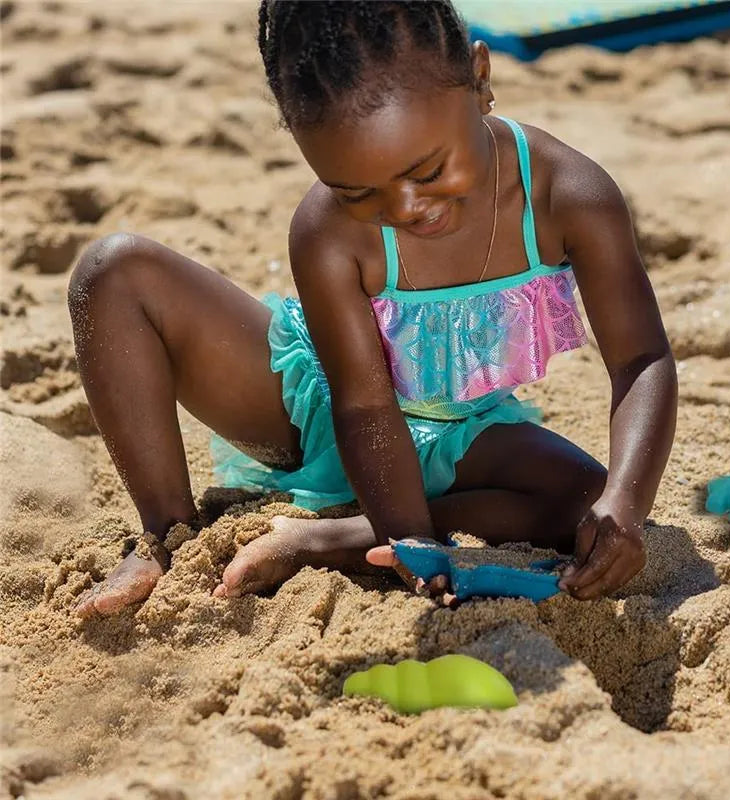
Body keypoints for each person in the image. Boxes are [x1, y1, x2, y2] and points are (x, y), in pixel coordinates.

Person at [69, 0, 677, 619]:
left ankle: (341, 537)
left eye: (429, 171)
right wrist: (410, 538)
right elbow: (362, 404)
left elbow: (641, 358)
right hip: (314, 407)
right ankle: (168, 537)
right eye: (357, 191)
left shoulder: (571, 195)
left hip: (463, 434)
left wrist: (625, 502)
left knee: (590, 501)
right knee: (112, 273)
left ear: (480, 81)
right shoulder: (326, 231)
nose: (407, 206)